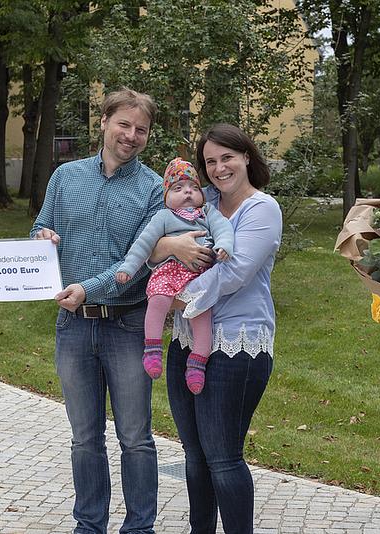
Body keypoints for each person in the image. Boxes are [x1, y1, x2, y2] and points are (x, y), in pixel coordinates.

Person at [30, 87, 163, 534]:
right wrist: (41, 240)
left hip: (127, 324)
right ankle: (89, 525)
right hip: (73, 327)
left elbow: (142, 261)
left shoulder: (154, 190)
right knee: (85, 438)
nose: (131, 135)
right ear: (103, 122)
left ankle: (139, 527)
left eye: (140, 129)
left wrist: (88, 288)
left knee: (136, 439)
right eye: (123, 124)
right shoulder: (65, 176)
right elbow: (40, 227)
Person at [150, 124, 282, 533]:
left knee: (223, 456)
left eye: (228, 157)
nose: (220, 167)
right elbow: (151, 244)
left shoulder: (262, 209)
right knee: (194, 453)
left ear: (246, 157)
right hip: (187, 342)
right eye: (211, 161)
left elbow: (236, 272)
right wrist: (170, 248)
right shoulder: (202, 202)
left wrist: (175, 299)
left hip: (237, 346)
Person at [116, 157, 234, 394]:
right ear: (166, 196)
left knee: (202, 317)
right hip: (169, 271)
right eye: (178, 188)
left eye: (193, 187)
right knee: (158, 301)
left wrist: (223, 246)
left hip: (200, 275)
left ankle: (197, 364)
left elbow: (223, 228)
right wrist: (128, 268)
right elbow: (144, 244)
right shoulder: (163, 217)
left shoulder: (207, 212)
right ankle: (152, 349)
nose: (187, 192)